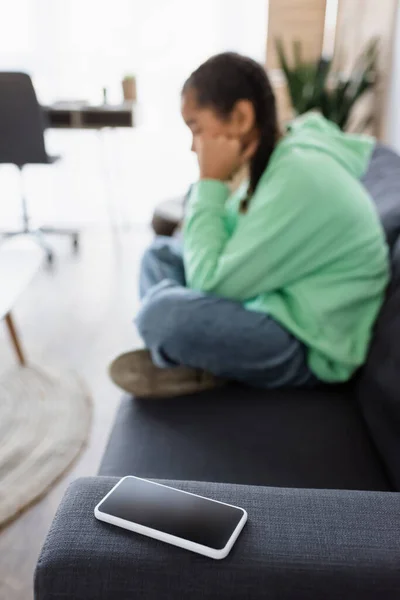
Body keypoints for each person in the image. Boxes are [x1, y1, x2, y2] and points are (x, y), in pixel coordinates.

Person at [109, 52, 389, 398]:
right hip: (276, 299)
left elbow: (209, 283)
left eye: (196, 129)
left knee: (161, 316)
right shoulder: (279, 158)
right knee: (159, 256)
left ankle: (196, 361)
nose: (192, 146)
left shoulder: (297, 178)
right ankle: (197, 359)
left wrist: (209, 181)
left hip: (308, 344)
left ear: (241, 117)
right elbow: (228, 238)